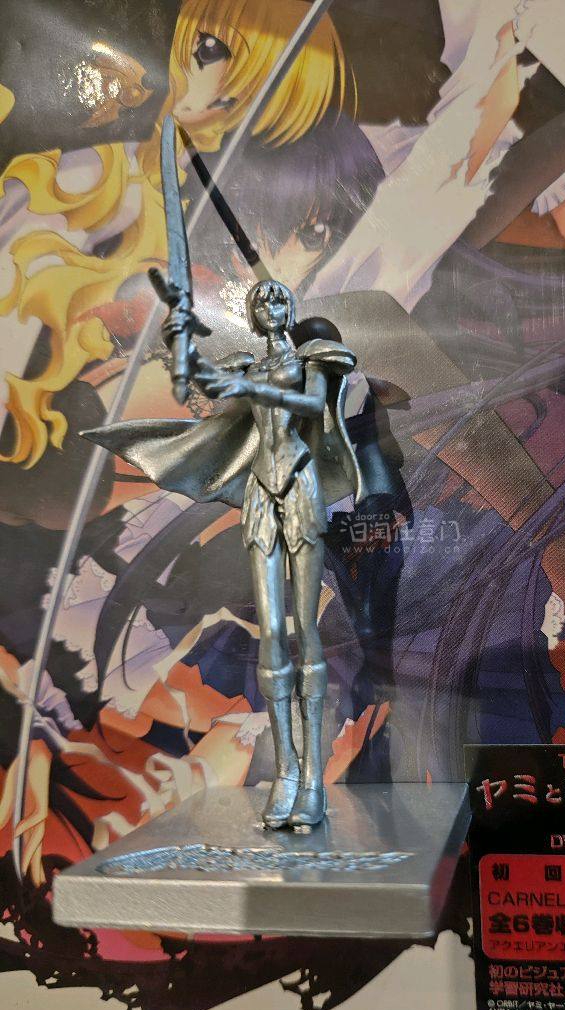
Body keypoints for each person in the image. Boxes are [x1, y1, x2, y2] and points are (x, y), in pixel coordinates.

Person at [0, 0, 349, 468]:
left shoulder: (212, 215)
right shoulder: (85, 180)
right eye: (211, 50)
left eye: (260, 92)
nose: (225, 91)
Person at [83, 280, 363, 828]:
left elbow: (312, 403)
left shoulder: (313, 357)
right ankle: (286, 774)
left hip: (300, 485)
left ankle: (312, 780)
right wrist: (179, 340)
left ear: (290, 308)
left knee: (306, 630)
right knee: (272, 636)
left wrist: (252, 388)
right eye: (263, 303)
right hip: (260, 490)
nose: (272, 307)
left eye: (279, 299)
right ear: (254, 316)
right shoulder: (247, 366)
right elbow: (206, 385)